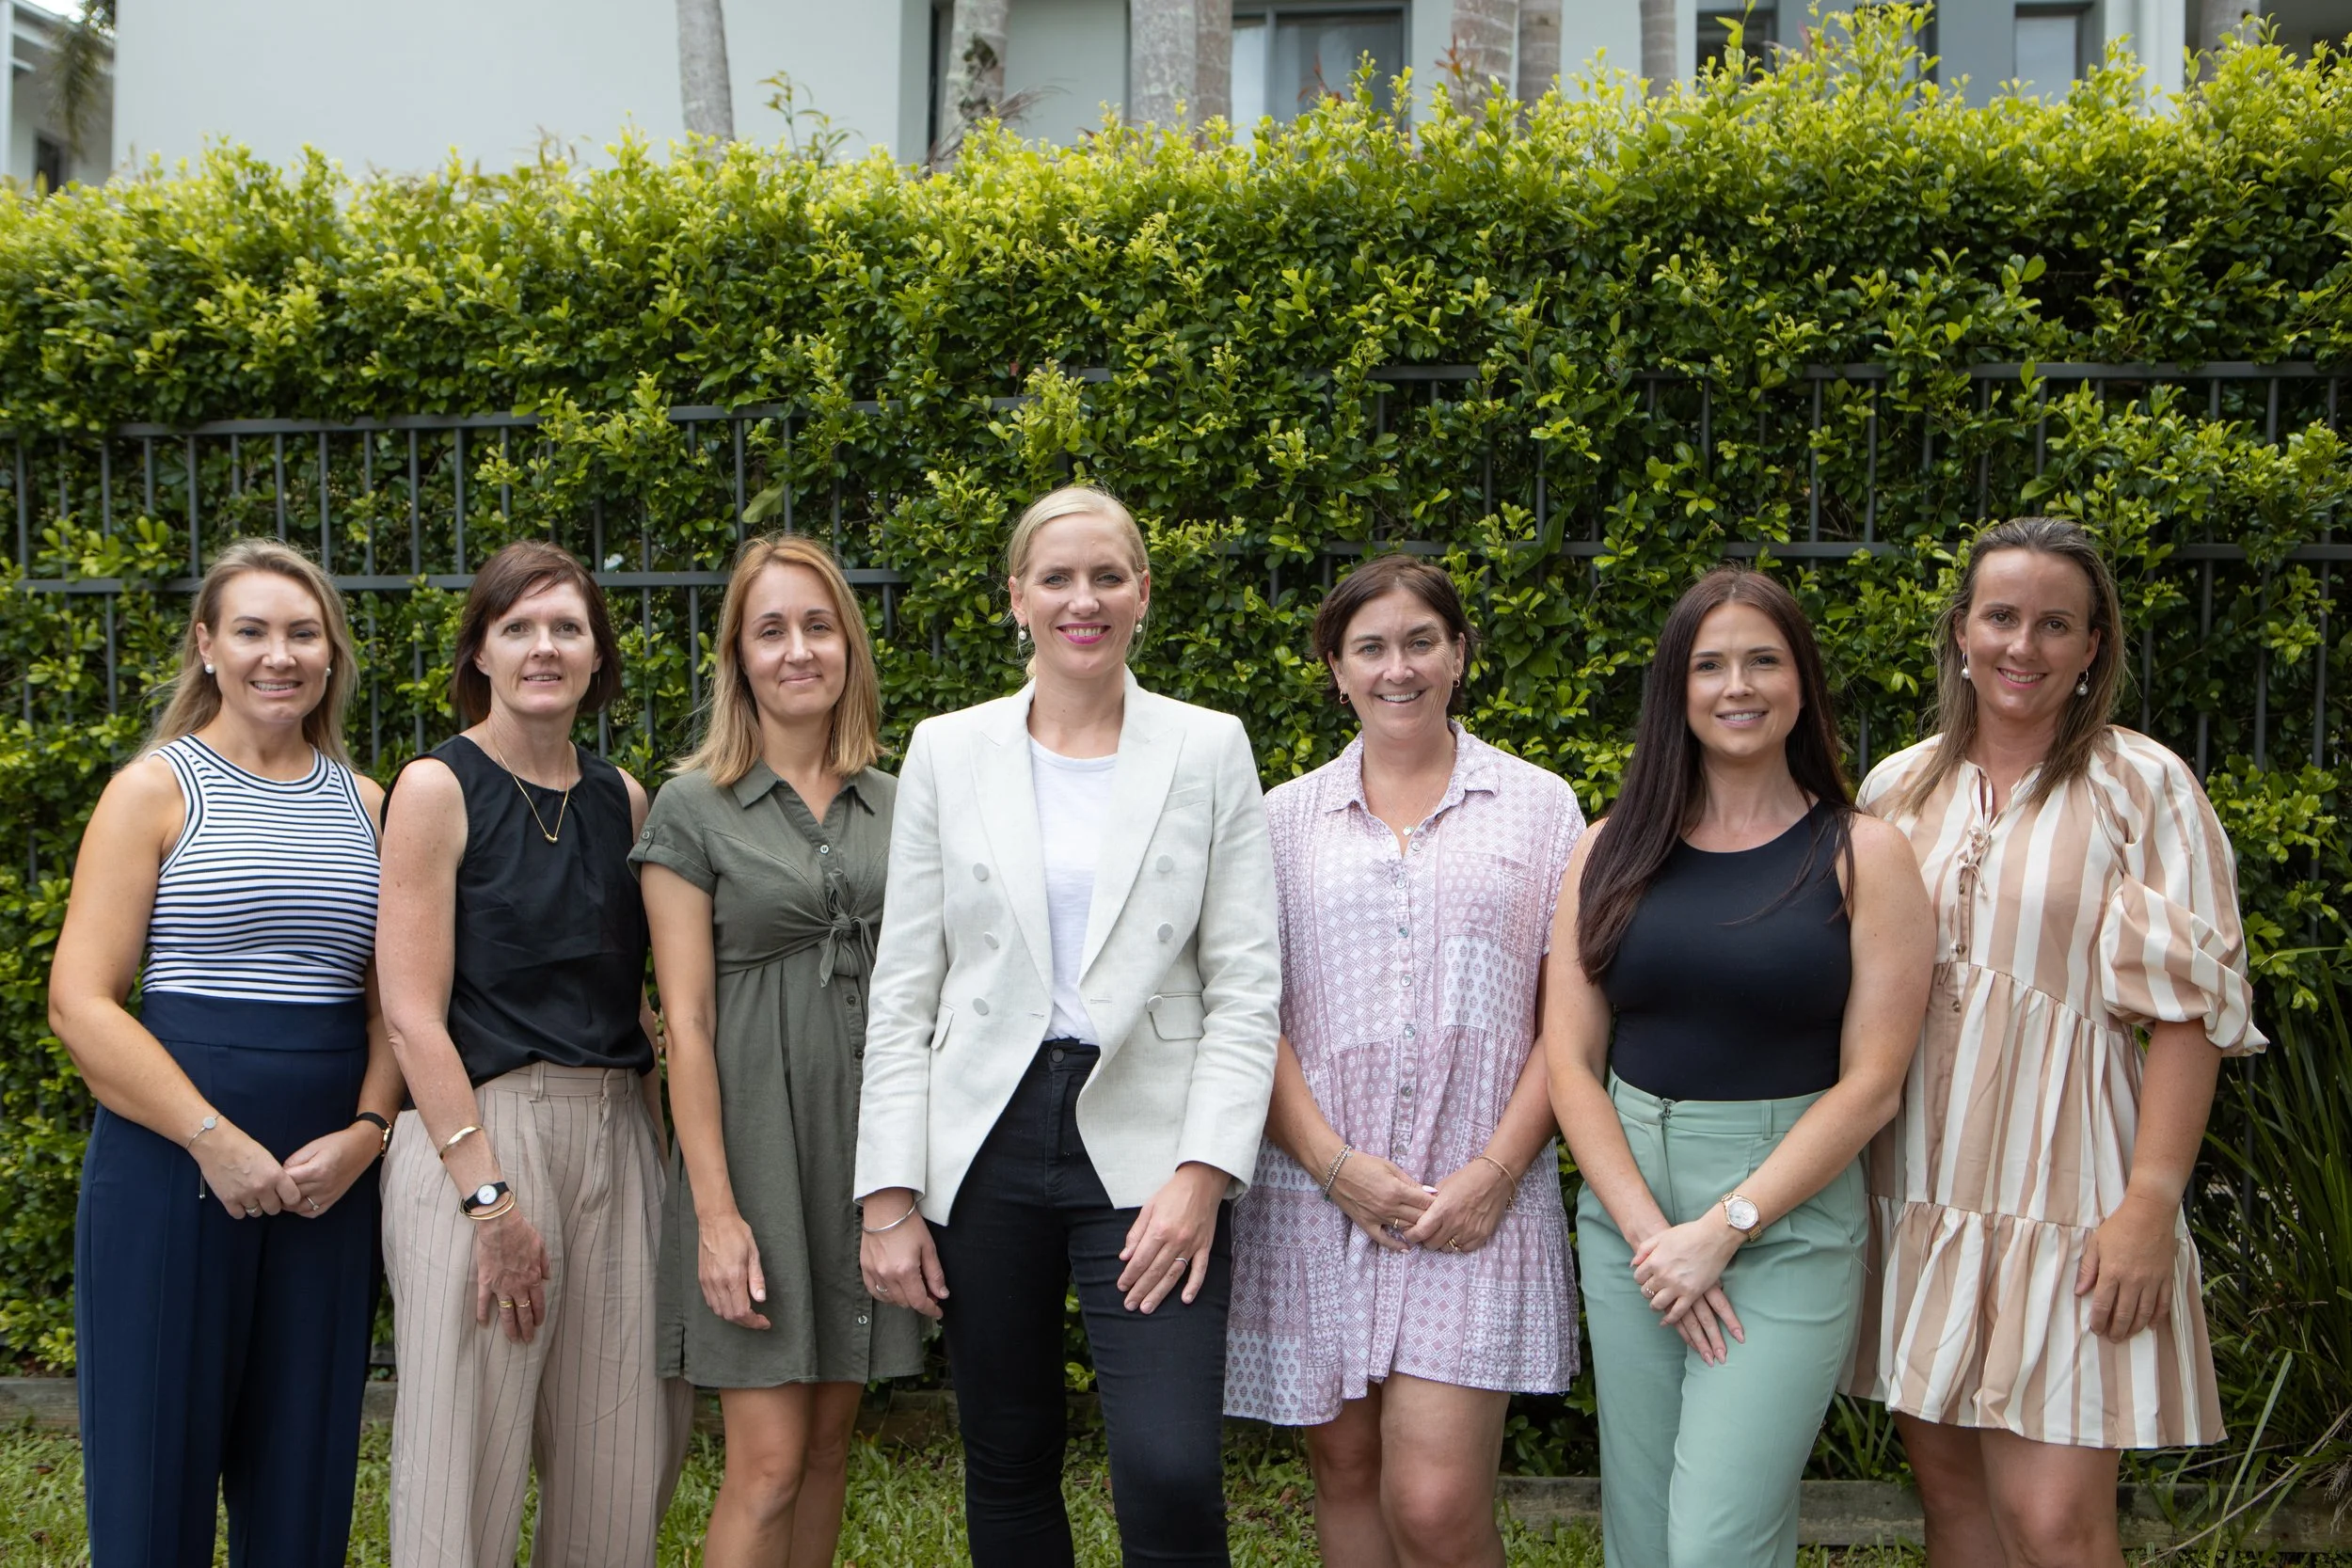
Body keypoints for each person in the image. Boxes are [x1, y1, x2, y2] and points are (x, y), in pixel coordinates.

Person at [855, 483, 1281, 1567]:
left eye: (1106, 576)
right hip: (985, 1137)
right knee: (1005, 1448)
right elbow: (906, 985)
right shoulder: (948, 751)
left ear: (1142, 591)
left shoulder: (1207, 746)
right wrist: (889, 1192)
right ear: (1016, 598)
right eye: (1056, 577)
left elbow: (1243, 983)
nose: (1081, 599)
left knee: (1171, 1462)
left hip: (1151, 1135)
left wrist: (1203, 1171)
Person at [1843, 517, 2266, 1568]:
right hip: (1919, 1184)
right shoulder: (1895, 788)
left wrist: (2149, 1205)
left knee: (2055, 1523)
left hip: (2072, 1192)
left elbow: (2190, 1011)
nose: (2020, 646)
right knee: (1957, 1511)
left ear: (2092, 646)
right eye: (1999, 617)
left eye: (2053, 623)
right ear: (1959, 631)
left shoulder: (2144, 784)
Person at [1543, 567, 1934, 1568]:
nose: (1737, 685)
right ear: (1676, 689)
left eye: (1763, 659)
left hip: (1784, 1218)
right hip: (1631, 1215)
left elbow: (1871, 1083)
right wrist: (1649, 1234)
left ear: (1800, 682)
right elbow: (1572, 1062)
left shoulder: (1865, 854)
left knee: (1717, 1537)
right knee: (1640, 1525)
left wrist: (1723, 1228)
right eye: (1709, 664)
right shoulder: (1607, 851)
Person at [1225, 553, 1585, 1568]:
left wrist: (1496, 1173)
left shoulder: (1538, 805)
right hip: (1315, 1191)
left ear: (1459, 653)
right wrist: (1335, 1166)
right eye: (1370, 647)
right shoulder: (1280, 819)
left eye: (1421, 641)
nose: (1398, 668)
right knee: (1342, 1475)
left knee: (1430, 1501)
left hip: (1470, 1199)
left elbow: (1569, 1018)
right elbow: (1255, 1015)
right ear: (1335, 669)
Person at [49, 539, 400, 1567]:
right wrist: (213, 1140)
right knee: (153, 1474)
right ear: (207, 645)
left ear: (331, 654)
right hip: (170, 1168)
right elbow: (80, 1002)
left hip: (323, 1185)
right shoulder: (153, 790)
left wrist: (367, 1136)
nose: (277, 655)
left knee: (302, 1481)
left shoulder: (371, 807)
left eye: (302, 633)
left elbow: (395, 1012)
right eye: (250, 630)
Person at [375, 539, 688, 1568]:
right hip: (480, 1133)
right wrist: (488, 1200)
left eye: (567, 626)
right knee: (464, 1463)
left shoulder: (624, 800)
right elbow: (412, 1012)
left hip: (615, 1135)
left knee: (622, 1452)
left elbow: (635, 1002)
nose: (544, 646)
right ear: (480, 652)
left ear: (599, 655)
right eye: (518, 627)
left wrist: (658, 1157)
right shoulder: (434, 785)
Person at [635, 533, 924, 1568]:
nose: (797, 649)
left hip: (870, 1155)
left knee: (833, 1445)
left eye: (817, 624)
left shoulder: (903, 801)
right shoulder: (692, 807)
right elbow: (686, 1026)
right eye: (771, 629)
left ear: (847, 643)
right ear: (738, 656)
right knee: (766, 1462)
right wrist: (716, 1214)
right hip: (754, 1154)